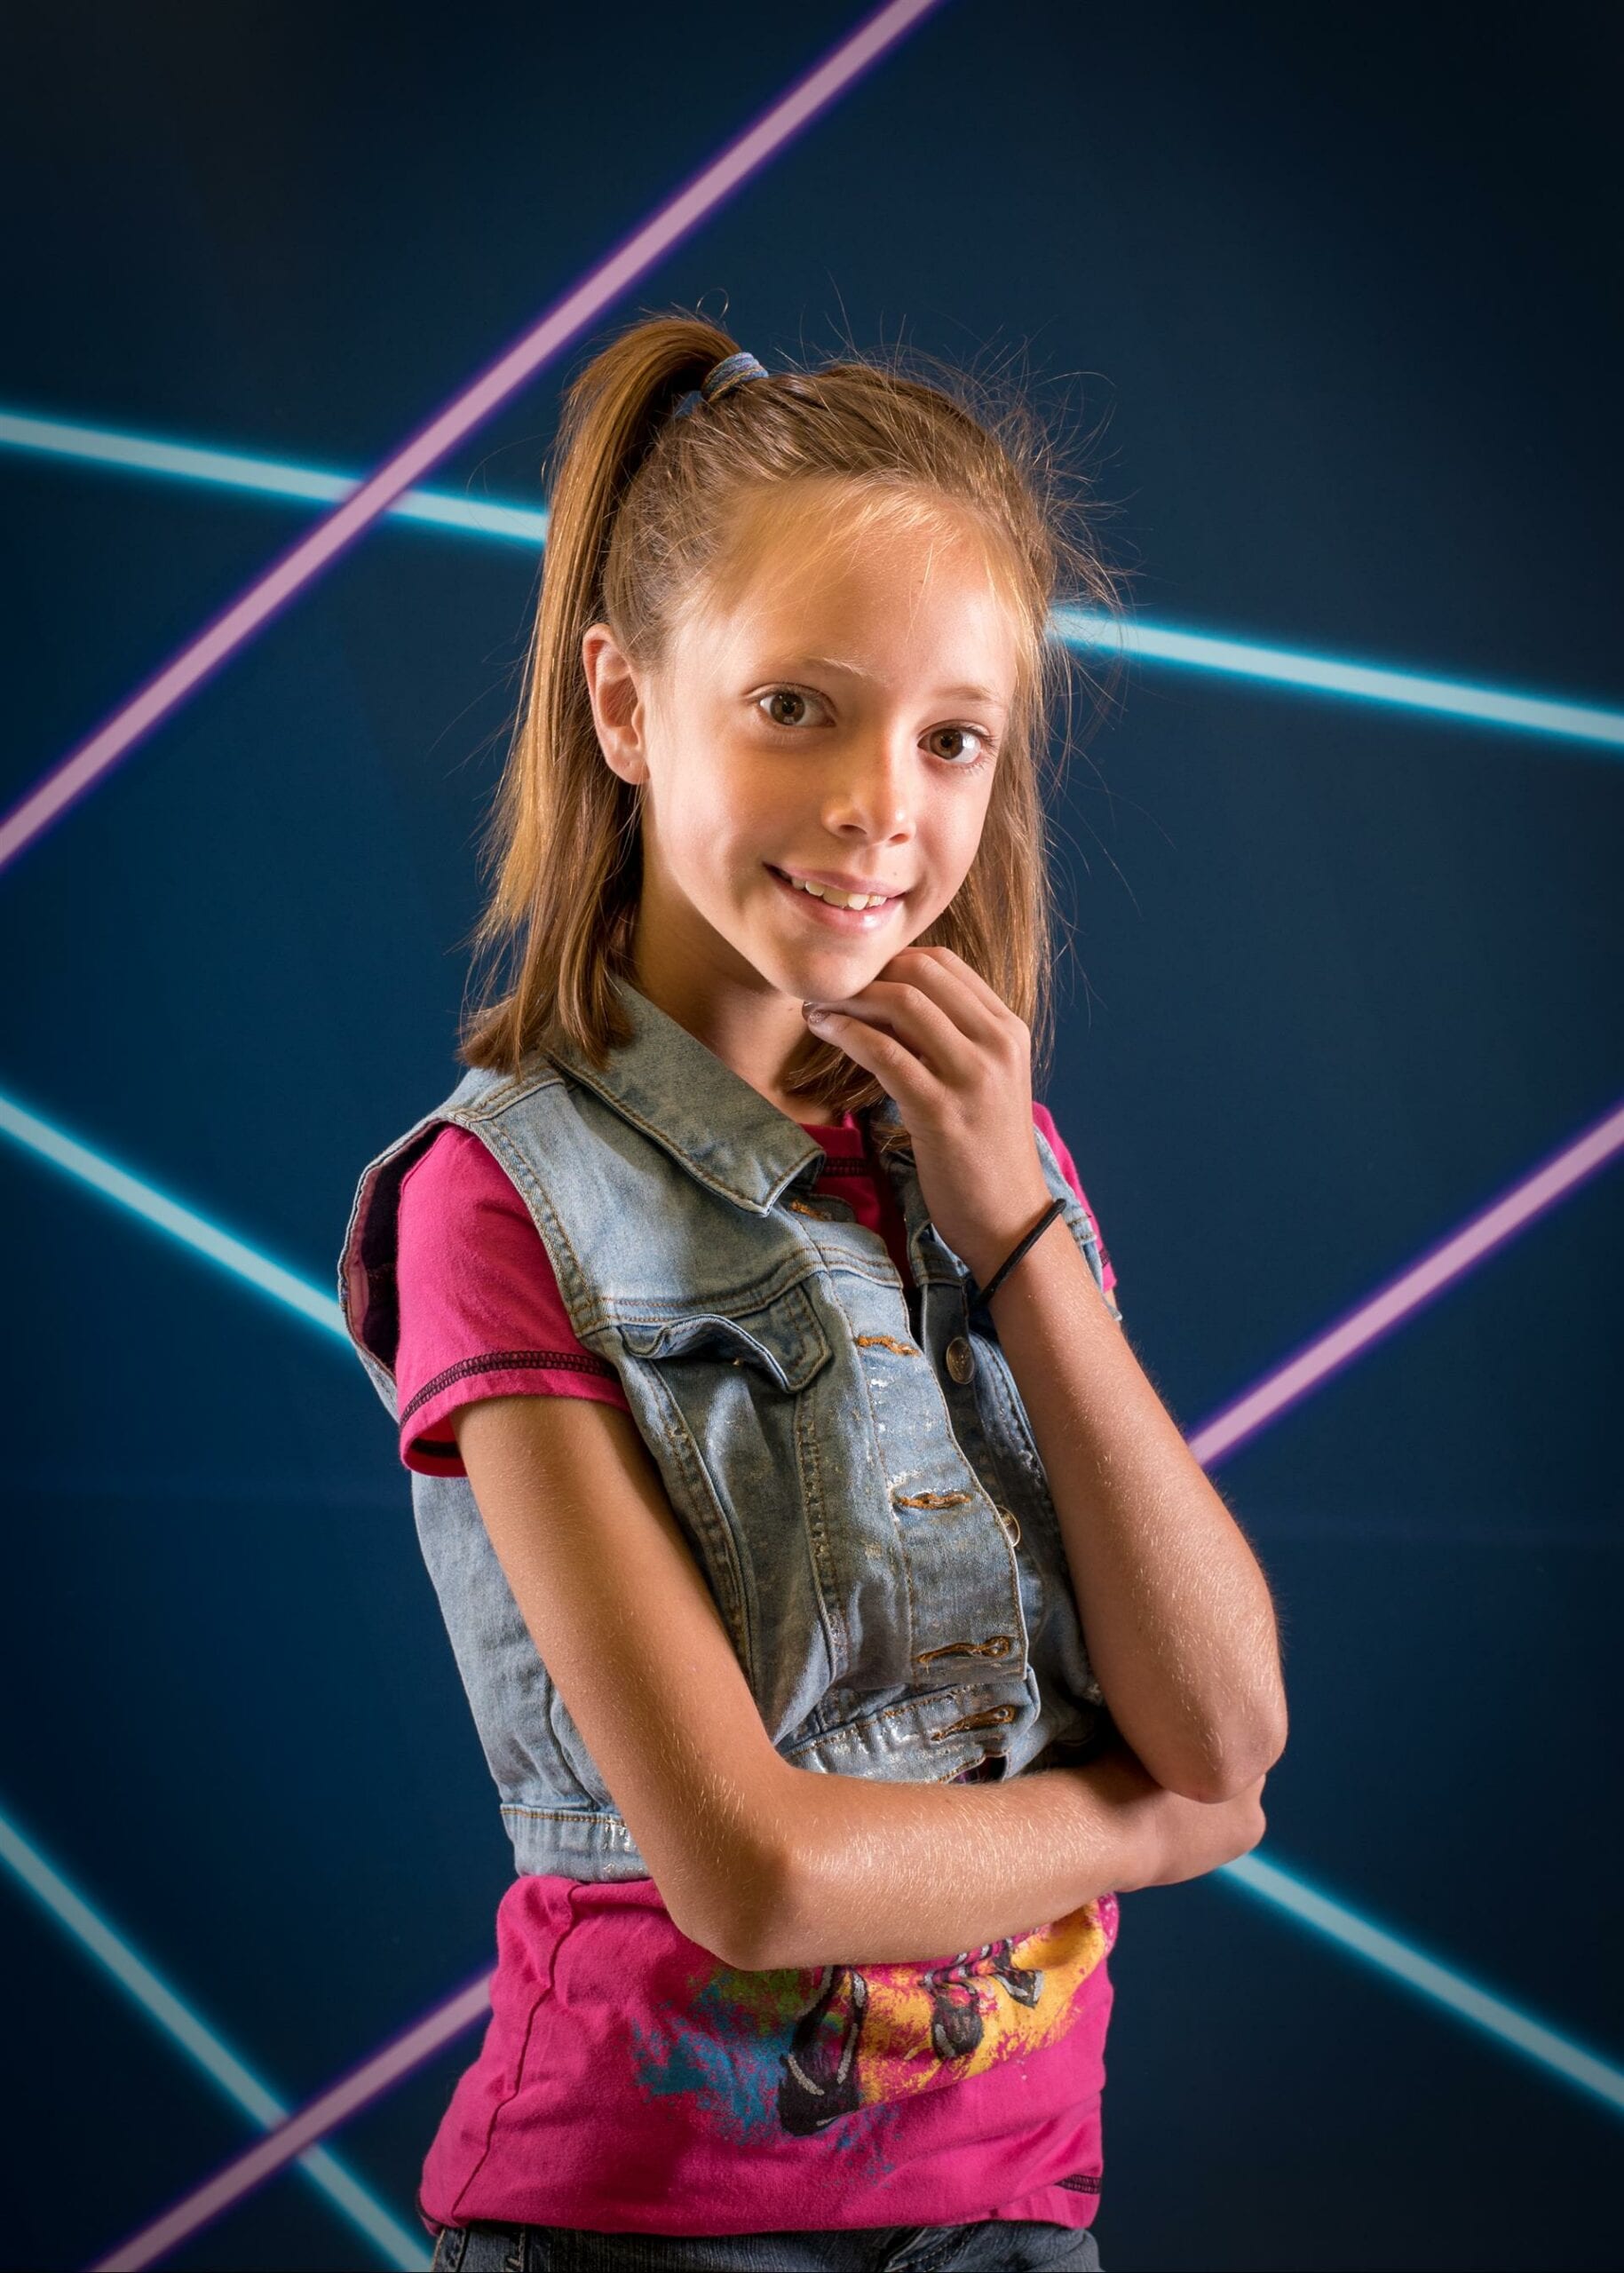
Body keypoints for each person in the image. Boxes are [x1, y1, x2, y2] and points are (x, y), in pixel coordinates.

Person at [337, 315, 1288, 2273]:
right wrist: (1144, 1829)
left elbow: (1227, 1719)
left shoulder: (998, 1158)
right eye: (796, 706)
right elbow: (754, 1872)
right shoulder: (495, 1200)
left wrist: (1015, 1224)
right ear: (624, 703)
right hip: (647, 2225)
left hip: (1014, 2213)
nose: (881, 805)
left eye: (951, 736)